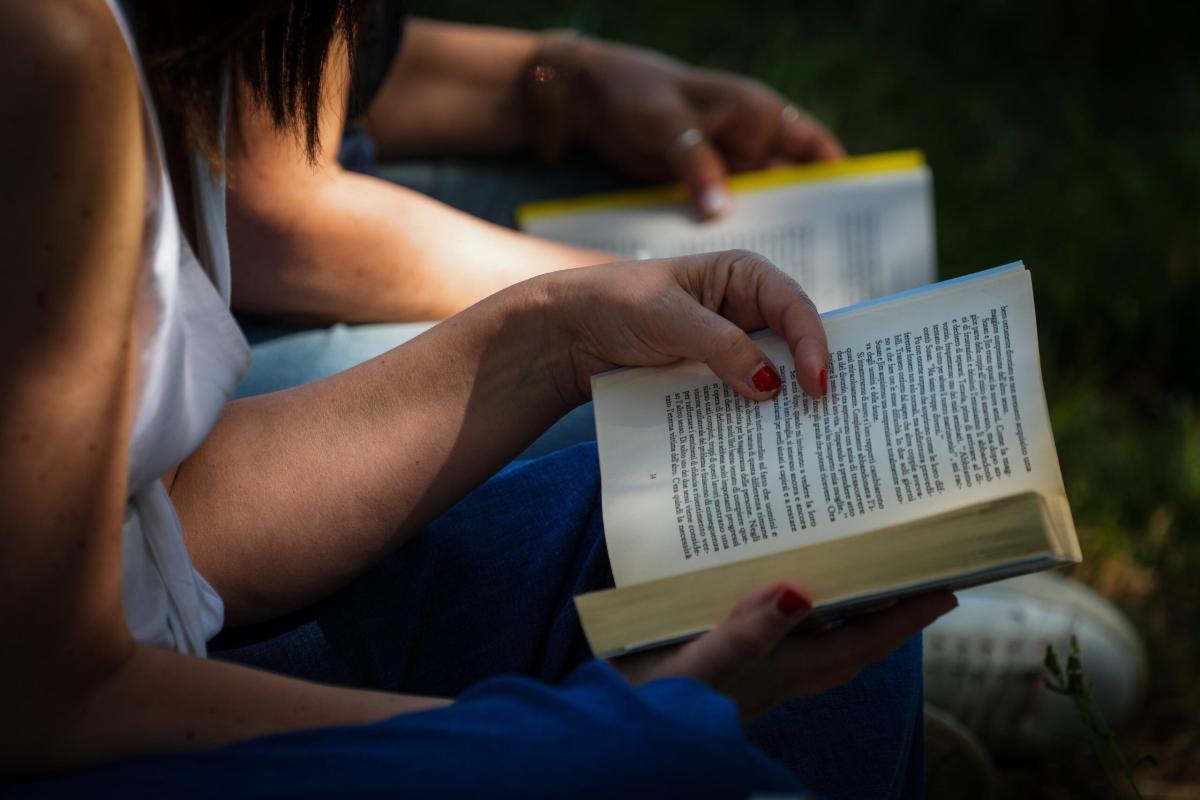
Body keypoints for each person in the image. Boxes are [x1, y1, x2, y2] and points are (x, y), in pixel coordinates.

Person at [0, 2, 955, 798]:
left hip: (159, 637)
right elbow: (50, 698)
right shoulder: (53, 51)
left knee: (801, 542)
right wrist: (548, 739)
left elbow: (149, 519)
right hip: (100, 722)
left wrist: (551, 335)